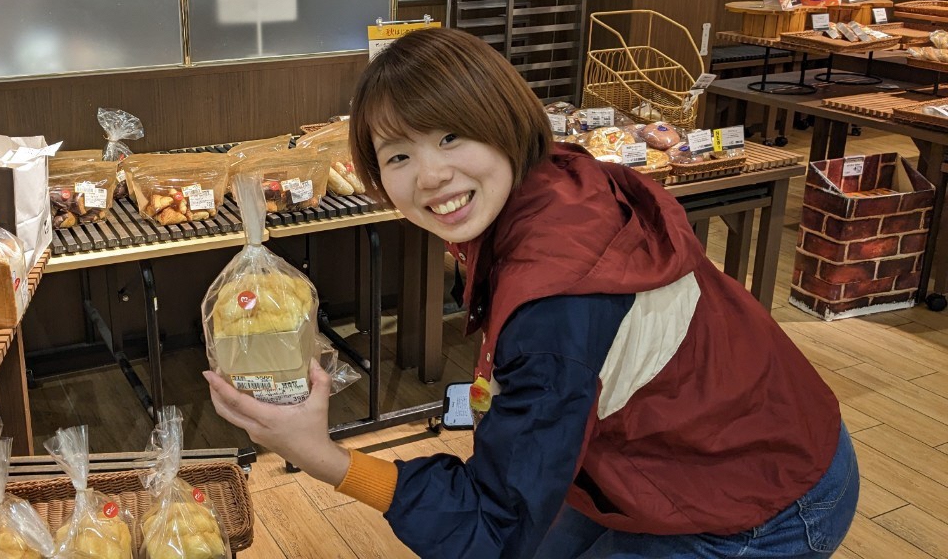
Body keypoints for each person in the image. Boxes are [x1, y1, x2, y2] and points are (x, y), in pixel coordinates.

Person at [205, 28, 858, 558]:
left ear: (504, 120)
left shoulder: (557, 301)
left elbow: (494, 527)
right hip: (696, 446)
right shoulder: (555, 182)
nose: (431, 175)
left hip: (759, 499)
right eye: (398, 156)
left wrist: (316, 454)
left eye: (451, 135)